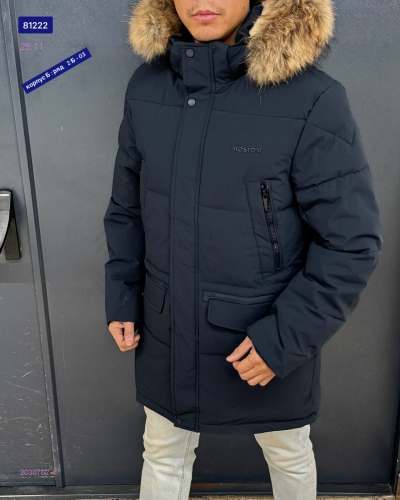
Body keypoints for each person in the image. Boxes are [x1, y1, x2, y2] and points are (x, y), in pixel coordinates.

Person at [103, 0, 383, 498]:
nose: (201, 2)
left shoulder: (310, 98)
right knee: (162, 451)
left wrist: (284, 339)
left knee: (288, 452)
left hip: (260, 337)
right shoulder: (147, 88)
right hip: (166, 329)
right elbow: (128, 207)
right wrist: (123, 294)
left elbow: (350, 240)